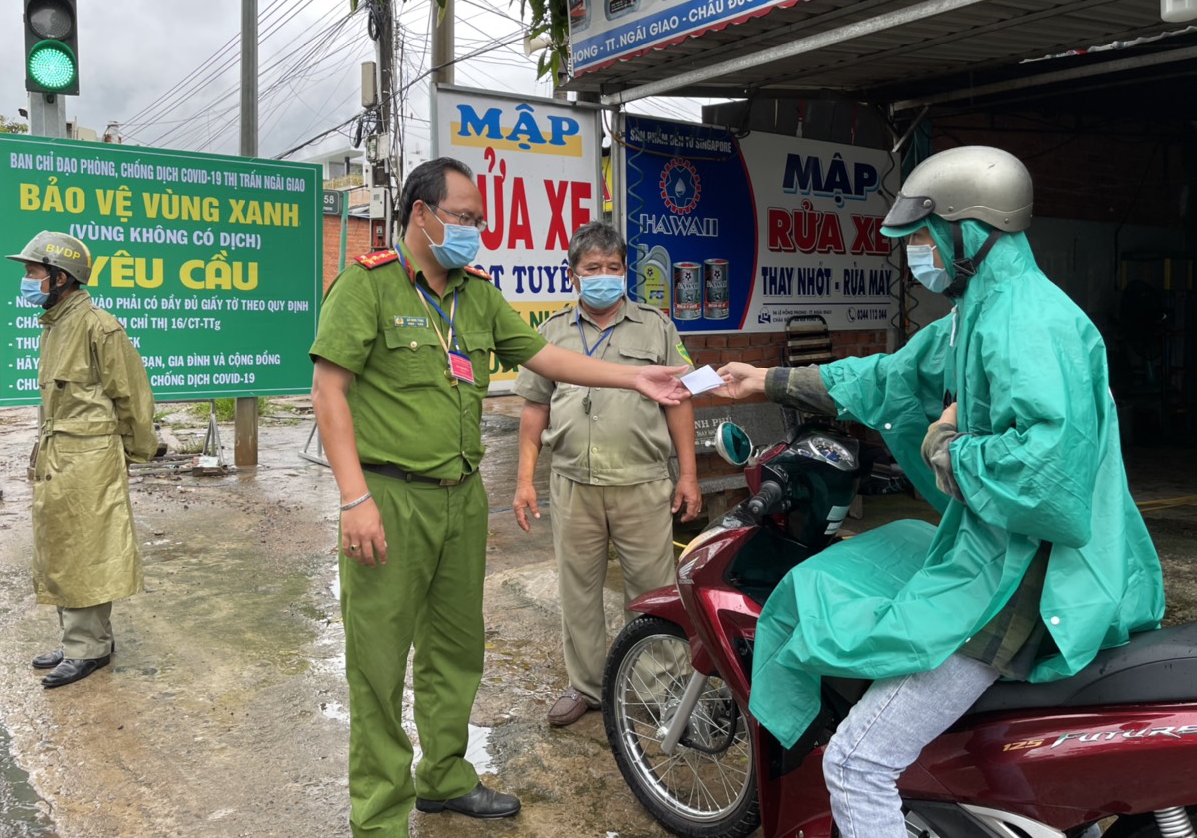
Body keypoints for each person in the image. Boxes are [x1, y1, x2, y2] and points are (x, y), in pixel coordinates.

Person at [717, 146, 1164, 838]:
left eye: (924, 238)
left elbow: (1048, 472)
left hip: (1023, 579)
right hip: (991, 548)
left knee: (857, 763)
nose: (914, 254)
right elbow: (892, 377)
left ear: (971, 231)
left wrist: (946, 450)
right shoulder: (978, 313)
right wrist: (768, 382)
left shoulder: (1026, 323)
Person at [309, 157, 689, 838]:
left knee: (455, 649)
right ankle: (377, 815)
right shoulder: (366, 288)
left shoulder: (477, 296)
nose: (475, 230)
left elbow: (548, 360)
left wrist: (637, 381)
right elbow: (328, 391)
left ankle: (444, 778)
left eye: (479, 220)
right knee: (378, 658)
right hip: (390, 498)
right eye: (464, 217)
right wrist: (353, 498)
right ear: (420, 215)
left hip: (458, 499)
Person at [512, 222, 701, 726]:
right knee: (578, 590)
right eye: (592, 268)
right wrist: (525, 480)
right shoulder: (551, 332)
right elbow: (534, 410)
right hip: (573, 483)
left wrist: (688, 476)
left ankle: (659, 687)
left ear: (625, 272)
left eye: (613, 268)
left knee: (653, 591)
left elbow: (680, 405)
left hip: (642, 480)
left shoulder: (656, 326)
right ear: (574, 274)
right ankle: (588, 688)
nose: (604, 276)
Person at [7, 231, 157, 689]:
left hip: (90, 456)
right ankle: (83, 640)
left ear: (60, 276)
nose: (27, 280)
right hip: (62, 454)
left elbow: (132, 395)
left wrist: (135, 450)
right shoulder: (57, 324)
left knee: (87, 550)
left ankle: (87, 648)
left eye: (33, 272)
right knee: (64, 547)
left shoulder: (97, 325)